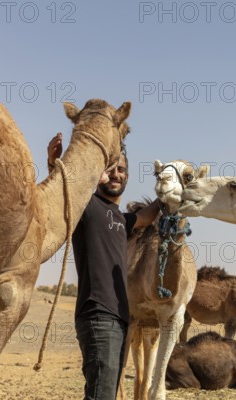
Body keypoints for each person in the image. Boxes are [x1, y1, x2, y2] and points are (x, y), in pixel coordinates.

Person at [47, 132, 160, 400]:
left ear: (127, 176)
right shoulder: (85, 205)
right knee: (102, 395)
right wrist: (53, 164)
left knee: (106, 392)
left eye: (121, 169)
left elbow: (146, 216)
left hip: (119, 319)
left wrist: (168, 187)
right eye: (109, 169)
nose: (116, 175)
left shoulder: (121, 219)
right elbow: (60, 192)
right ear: (99, 173)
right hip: (98, 315)